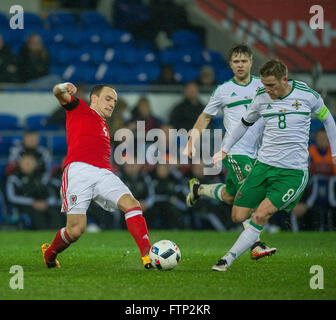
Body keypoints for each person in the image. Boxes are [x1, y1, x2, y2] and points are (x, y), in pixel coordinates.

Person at [211, 59, 336, 271]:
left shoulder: (307, 95)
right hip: (263, 166)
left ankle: (226, 260)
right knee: (238, 215)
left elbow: (328, 120)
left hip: (292, 172)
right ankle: (253, 242)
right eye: (265, 85)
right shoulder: (261, 97)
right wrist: (224, 148)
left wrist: (335, 152)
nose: (267, 90)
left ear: (284, 80)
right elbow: (244, 124)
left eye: (271, 85)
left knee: (260, 214)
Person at [41, 82, 153, 269]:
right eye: (108, 99)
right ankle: (50, 254)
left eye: (114, 102)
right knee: (75, 230)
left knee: (132, 205)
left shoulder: (104, 124)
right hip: (78, 170)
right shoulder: (80, 108)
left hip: (103, 173)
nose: (112, 104)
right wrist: (63, 87)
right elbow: (57, 93)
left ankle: (148, 256)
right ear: (94, 98)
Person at [184, 44, 275, 260]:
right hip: (234, 150)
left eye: (244, 61)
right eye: (236, 61)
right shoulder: (223, 90)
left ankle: (199, 190)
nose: (240, 65)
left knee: (231, 196)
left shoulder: (263, 88)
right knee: (251, 189)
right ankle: (256, 243)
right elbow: (205, 117)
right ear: (230, 64)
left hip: (259, 152)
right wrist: (191, 141)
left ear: (251, 63)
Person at [6, 151, 62, 230]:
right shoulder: (14, 177)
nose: (28, 164)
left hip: (43, 203)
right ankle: (42, 236)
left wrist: (45, 202)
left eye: (31, 161)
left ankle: (56, 237)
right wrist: (32, 202)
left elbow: (50, 193)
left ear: (36, 163)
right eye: (25, 162)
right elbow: (12, 197)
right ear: (20, 163)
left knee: (55, 212)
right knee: (37, 215)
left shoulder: (41, 177)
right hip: (24, 206)